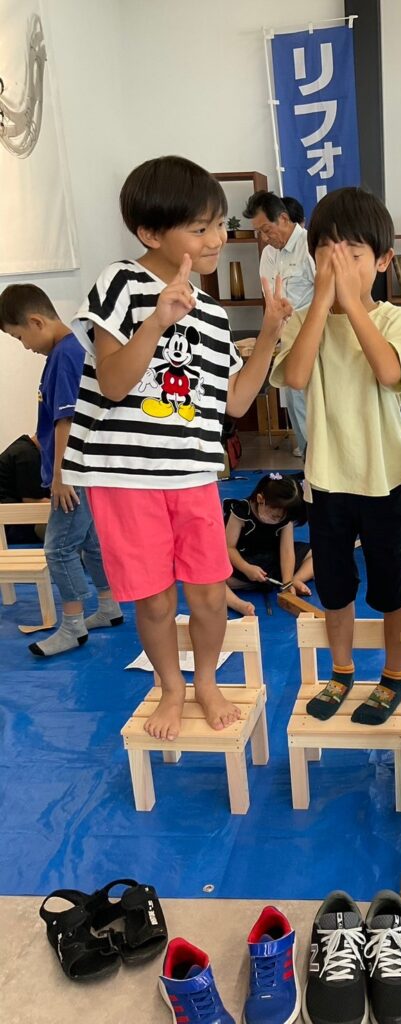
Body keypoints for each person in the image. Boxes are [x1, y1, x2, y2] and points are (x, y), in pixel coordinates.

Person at [61, 155, 292, 741]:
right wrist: (158, 321)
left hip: (191, 475)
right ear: (150, 233)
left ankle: (206, 681)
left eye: (218, 225)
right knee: (156, 601)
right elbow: (113, 382)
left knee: (210, 595)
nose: (216, 239)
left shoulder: (212, 314)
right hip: (126, 477)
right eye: (200, 228)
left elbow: (237, 400)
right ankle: (171, 687)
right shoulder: (120, 283)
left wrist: (269, 333)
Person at [271, 187, 401, 726]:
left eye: (353, 254)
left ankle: (395, 674)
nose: (338, 266)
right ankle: (341, 670)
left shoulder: (394, 319)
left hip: (385, 479)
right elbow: (294, 376)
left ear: (381, 261)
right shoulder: (304, 320)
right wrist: (321, 304)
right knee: (334, 586)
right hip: (328, 480)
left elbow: (389, 372)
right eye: (326, 254)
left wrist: (351, 303)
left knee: (390, 585)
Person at [0, 284, 122, 655]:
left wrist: (60, 476)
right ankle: (109, 606)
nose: (24, 346)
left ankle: (72, 625)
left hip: (74, 472)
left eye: (19, 337)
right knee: (90, 542)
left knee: (57, 548)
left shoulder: (67, 354)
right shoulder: (67, 352)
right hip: (83, 469)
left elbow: (67, 420)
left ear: (37, 322)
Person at [243, 190, 315, 458]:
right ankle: (308, 455)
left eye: (266, 230)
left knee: (315, 398)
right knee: (295, 398)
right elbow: (270, 298)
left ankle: (319, 457)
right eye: (259, 232)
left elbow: (326, 295)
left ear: (283, 218)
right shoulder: (270, 254)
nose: (264, 237)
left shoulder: (310, 245)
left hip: (313, 335)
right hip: (287, 337)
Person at [224, 472, 313, 597]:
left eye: (282, 518)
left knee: (317, 555)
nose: (278, 520)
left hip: (274, 556)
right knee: (221, 579)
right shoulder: (241, 512)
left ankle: (295, 580)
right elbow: (229, 547)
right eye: (274, 516)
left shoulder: (285, 517)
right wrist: (246, 568)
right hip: (246, 559)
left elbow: (287, 551)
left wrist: (287, 582)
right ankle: (263, 582)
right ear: (260, 499)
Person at [0, 433, 49, 543]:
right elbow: (32, 501)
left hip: (9, 520)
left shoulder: (24, 448)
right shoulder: (28, 456)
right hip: (10, 526)